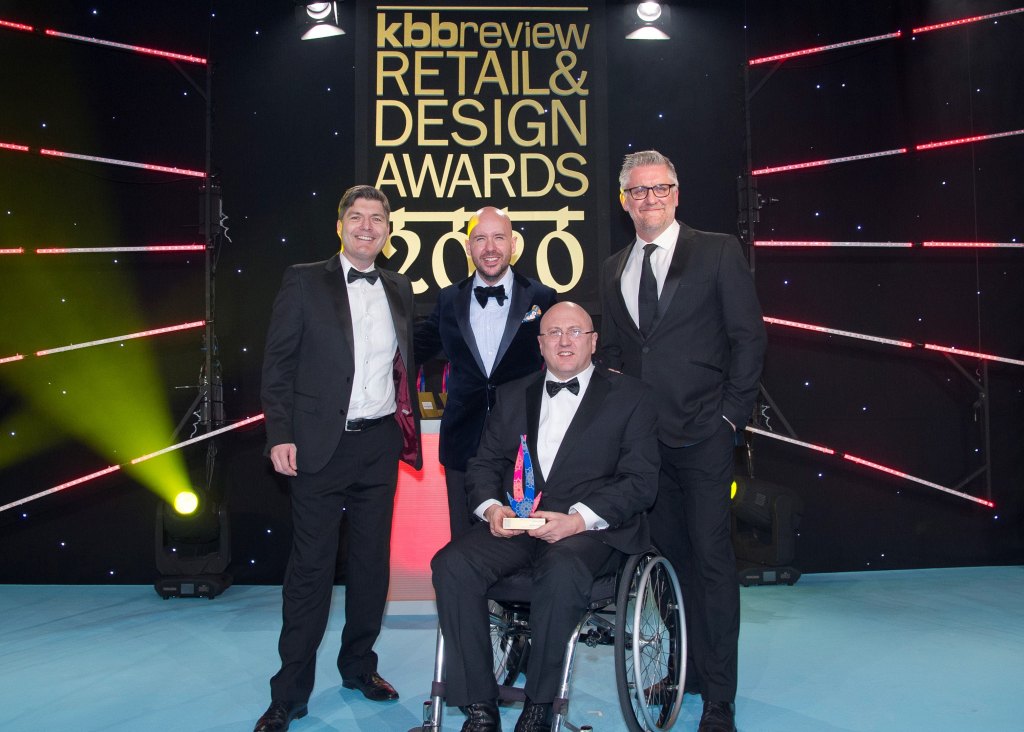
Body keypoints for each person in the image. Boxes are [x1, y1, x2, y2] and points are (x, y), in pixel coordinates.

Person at [432, 301, 660, 732]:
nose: (564, 341)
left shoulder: (632, 397)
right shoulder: (513, 394)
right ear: (540, 344)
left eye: (575, 332)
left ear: (593, 342)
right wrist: (491, 507)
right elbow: (483, 465)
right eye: (554, 333)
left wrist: (577, 520)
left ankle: (539, 706)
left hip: (591, 532)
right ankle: (480, 707)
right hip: (520, 525)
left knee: (560, 570)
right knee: (451, 564)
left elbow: (640, 480)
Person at [598, 150, 767, 732]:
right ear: (624, 201)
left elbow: (749, 339)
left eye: (660, 188)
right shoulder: (613, 266)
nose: (649, 199)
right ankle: (683, 670)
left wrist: (730, 419)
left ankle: (719, 696)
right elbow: (618, 357)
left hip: (705, 438)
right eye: (638, 191)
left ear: (677, 193)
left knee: (713, 564)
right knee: (665, 565)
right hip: (645, 451)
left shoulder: (718, 251)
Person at [255, 185, 422, 732]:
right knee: (310, 571)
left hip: (378, 447)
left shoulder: (399, 288)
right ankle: (289, 694)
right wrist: (280, 432)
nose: (367, 227)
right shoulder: (304, 280)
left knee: (372, 567)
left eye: (377, 219)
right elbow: (277, 365)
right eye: (357, 218)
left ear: (389, 231)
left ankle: (359, 668)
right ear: (340, 226)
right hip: (318, 447)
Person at [415, 206, 557, 540]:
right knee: (463, 543)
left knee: (522, 542)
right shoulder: (449, 299)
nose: (490, 247)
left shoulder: (542, 297)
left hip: (523, 442)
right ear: (468, 247)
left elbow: (566, 358)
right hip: (463, 442)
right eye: (480, 238)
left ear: (513, 244)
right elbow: (412, 350)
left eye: (498, 238)